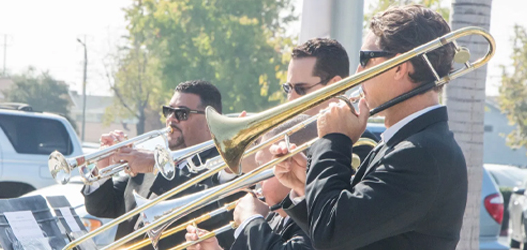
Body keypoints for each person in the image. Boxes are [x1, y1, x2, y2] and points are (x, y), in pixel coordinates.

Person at [273, 5, 467, 250]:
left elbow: (331, 234)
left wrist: (334, 139)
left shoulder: (421, 153)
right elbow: (353, 227)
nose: (358, 72)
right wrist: (305, 187)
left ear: (398, 67)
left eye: (365, 59)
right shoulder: (408, 142)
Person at [82, 80, 241, 250]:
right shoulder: (149, 158)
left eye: (182, 113)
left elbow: (211, 207)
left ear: (212, 121)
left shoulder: (225, 166)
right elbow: (101, 207)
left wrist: (156, 165)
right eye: (168, 111)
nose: (171, 119)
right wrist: (102, 168)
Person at [185, 115, 317, 250]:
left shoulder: (316, 219)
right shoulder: (273, 218)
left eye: (264, 168)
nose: (257, 180)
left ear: (293, 165)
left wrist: (250, 220)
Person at [284, 38, 379, 162]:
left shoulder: (362, 147)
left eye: (301, 89)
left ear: (334, 86)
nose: (291, 98)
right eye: (288, 88)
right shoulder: (285, 138)